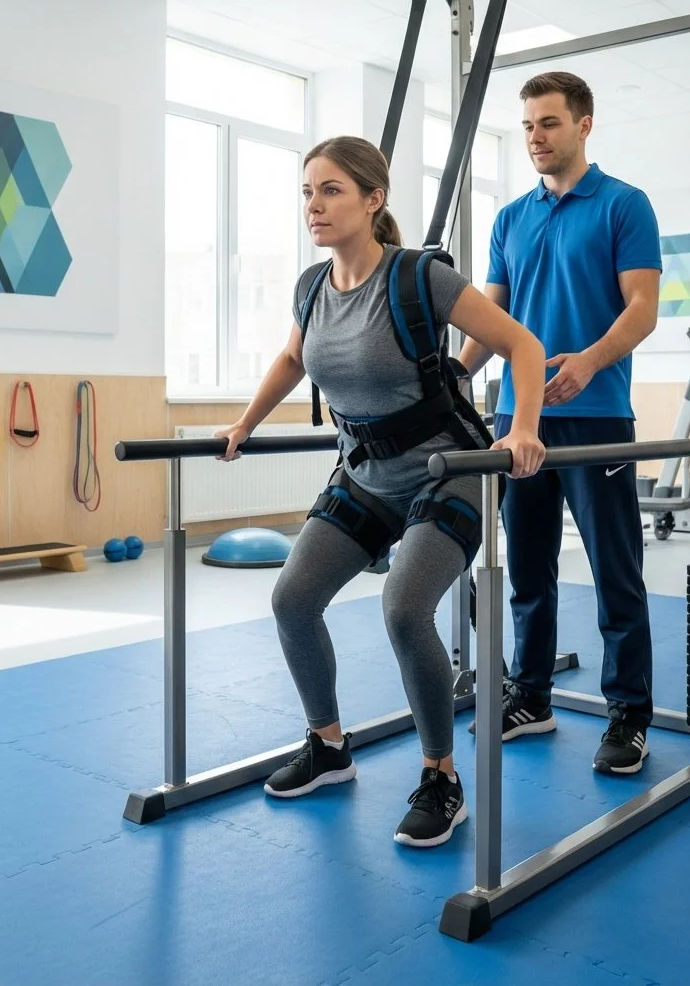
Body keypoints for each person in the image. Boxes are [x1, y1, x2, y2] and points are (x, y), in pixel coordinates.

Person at [216, 135, 546, 847]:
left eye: (331, 190)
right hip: (365, 473)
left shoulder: (417, 279)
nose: (314, 205)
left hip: (448, 472)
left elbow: (525, 345)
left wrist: (521, 429)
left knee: (403, 609)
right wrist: (244, 423)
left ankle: (441, 778)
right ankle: (329, 747)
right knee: (292, 599)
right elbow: (290, 358)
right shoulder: (311, 287)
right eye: (307, 192)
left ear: (374, 199)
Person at [458, 71, 662, 775]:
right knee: (528, 568)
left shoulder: (624, 205)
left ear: (584, 125)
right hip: (519, 419)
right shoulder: (511, 217)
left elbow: (642, 307)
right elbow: (490, 316)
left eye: (548, 123)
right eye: (527, 126)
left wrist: (593, 360)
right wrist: (455, 375)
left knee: (615, 570)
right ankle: (532, 695)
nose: (536, 138)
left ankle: (629, 714)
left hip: (596, 414)